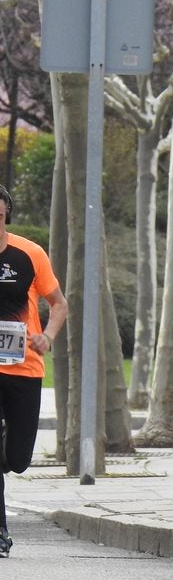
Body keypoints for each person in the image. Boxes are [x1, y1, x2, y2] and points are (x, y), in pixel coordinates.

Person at [0, 184, 68, 555]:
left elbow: (59, 303)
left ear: (6, 214)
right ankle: (1, 532)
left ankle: (9, 444)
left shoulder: (29, 253)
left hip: (23, 365)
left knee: (18, 460)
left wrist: (48, 337)